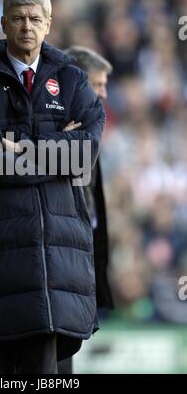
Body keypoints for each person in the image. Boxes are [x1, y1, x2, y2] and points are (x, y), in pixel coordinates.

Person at [0, 0, 106, 374]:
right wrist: (58, 147)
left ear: (49, 25)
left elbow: (85, 151)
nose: (27, 27)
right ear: (3, 23)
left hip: (54, 271)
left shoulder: (72, 80)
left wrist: (20, 148)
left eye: (35, 19)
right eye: (18, 18)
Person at [58, 46, 114, 374]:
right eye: (99, 84)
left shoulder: (88, 130)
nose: (105, 93)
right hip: (59, 259)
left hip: (77, 260)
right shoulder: (58, 132)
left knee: (65, 355)